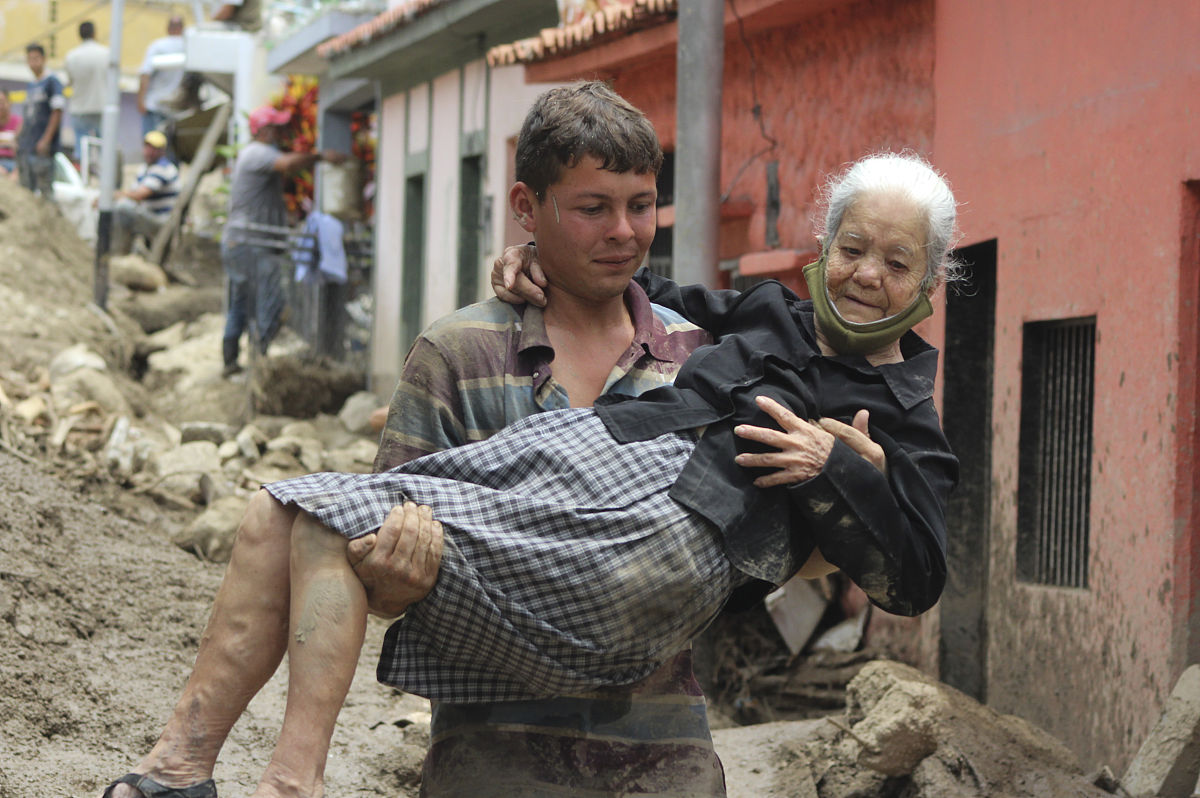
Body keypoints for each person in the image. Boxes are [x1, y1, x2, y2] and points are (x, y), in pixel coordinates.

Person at [101, 147, 959, 798]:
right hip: (593, 451)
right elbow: (637, 282)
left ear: (931, 280)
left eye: (897, 264)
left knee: (326, 522)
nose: (867, 276)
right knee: (276, 512)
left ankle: (291, 787)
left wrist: (837, 472)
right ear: (825, 245)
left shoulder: (907, 420)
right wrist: (538, 261)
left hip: (662, 533)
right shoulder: (767, 310)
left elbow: (918, 578)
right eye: (853, 248)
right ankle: (175, 772)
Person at [370, 82, 723, 795]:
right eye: (593, 208)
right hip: (493, 765)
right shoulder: (458, 356)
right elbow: (380, 576)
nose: (624, 231)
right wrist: (391, 576)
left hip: (667, 768)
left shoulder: (700, 361)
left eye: (641, 205)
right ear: (527, 207)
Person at [220, 104, 347, 377]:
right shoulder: (258, 152)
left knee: (242, 303)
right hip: (252, 243)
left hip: (241, 241)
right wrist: (321, 156)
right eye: (277, 128)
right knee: (272, 302)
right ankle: (259, 361)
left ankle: (232, 363)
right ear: (265, 131)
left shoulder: (251, 155)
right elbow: (288, 164)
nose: (281, 133)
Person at [110, 130, 181, 256]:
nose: (149, 152)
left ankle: (120, 253)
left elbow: (138, 195)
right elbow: (132, 193)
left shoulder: (163, 169)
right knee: (120, 207)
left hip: (161, 220)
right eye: (147, 147)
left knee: (122, 208)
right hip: (150, 215)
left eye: (154, 149)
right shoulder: (145, 168)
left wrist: (114, 195)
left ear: (162, 151)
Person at [16, 42, 64, 200]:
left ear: (44, 59)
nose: (33, 63)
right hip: (28, 145)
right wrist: (18, 136)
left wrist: (46, 139)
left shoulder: (52, 82)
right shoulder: (31, 85)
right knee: (27, 193)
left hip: (43, 149)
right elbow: (28, 115)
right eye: (30, 59)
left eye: (36, 58)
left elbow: (57, 111)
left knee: (45, 195)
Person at [64, 20, 108, 163]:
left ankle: (83, 173)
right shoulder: (105, 53)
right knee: (103, 147)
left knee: (81, 149)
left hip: (79, 108)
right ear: (94, 33)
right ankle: (104, 173)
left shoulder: (72, 56)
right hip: (101, 107)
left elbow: (69, 81)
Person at [138, 16, 184, 139]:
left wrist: (141, 100)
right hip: (176, 108)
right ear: (182, 28)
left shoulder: (158, 45)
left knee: (151, 142)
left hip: (154, 104)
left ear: (168, 28)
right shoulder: (188, 47)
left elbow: (145, 74)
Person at [0, 89, 21, 179]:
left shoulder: (18, 123)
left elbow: (22, 150)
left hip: (13, 164)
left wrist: (16, 172)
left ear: (9, 103)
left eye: (2, 102)